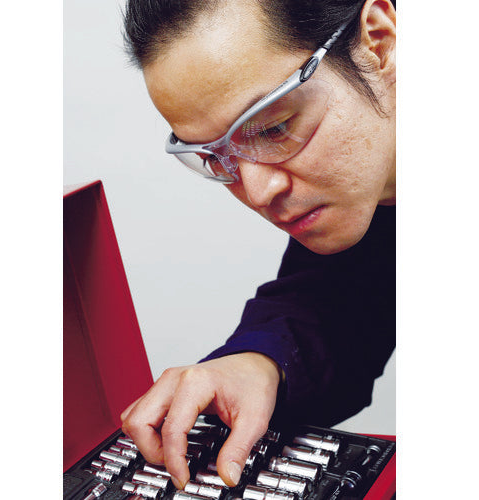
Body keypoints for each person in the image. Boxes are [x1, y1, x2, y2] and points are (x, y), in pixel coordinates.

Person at [120, 0, 396, 491]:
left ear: (378, 40)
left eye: (273, 127)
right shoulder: (364, 196)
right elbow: (334, 300)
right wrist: (259, 363)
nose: (258, 191)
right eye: (216, 157)